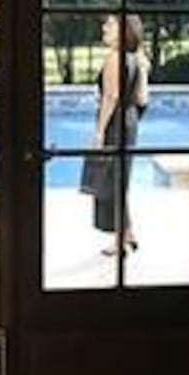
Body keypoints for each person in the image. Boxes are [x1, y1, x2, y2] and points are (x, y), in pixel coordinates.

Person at [79, 13, 151, 257]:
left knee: (110, 182)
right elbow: (142, 99)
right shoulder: (137, 59)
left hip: (115, 122)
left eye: (110, 25)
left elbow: (110, 97)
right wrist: (130, 121)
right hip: (129, 122)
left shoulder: (114, 58)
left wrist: (100, 131)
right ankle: (128, 234)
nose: (104, 27)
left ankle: (119, 242)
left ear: (122, 31)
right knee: (120, 179)